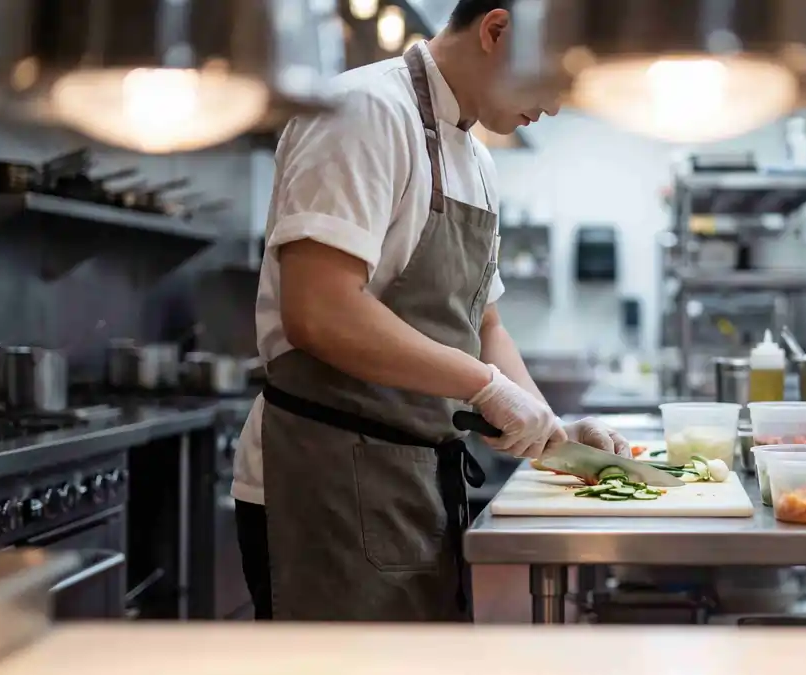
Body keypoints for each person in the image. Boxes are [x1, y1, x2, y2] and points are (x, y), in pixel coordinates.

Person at [230, 0, 629, 622]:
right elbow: (320, 310)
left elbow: (483, 323)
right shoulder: (365, 112)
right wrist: (484, 386)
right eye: (552, 84)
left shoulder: (477, 159)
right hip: (326, 483)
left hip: (417, 482)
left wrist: (552, 433)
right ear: (497, 31)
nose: (551, 108)